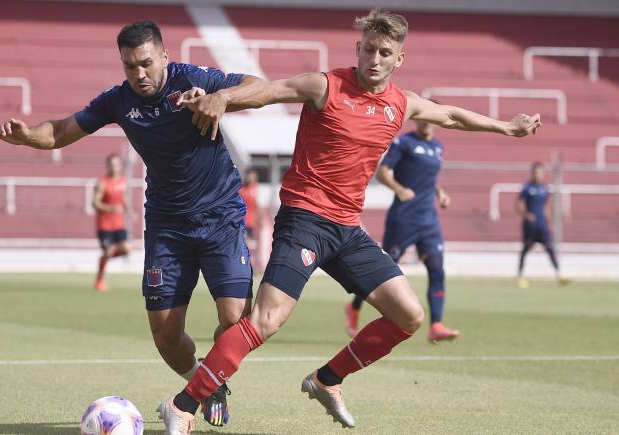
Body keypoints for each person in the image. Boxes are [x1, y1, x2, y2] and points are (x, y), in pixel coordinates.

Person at [157, 9, 541, 433]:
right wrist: (223, 98)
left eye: (385, 52)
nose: (375, 59)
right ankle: (182, 405)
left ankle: (327, 379)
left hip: (346, 229)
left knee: (409, 316)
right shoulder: (325, 86)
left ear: (399, 59)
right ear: (358, 49)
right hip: (304, 218)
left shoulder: (401, 103)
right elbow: (269, 92)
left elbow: (450, 115)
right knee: (266, 320)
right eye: (369, 49)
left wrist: (507, 127)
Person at [0, 21, 260, 427]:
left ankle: (202, 385)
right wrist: (29, 136)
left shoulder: (194, 78)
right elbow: (63, 130)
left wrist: (220, 98)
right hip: (168, 226)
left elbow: (259, 87)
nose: (139, 74)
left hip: (220, 216)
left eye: (146, 64)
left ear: (165, 56)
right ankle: (209, 383)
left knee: (236, 319)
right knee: (166, 337)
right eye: (129, 66)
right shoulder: (118, 100)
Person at [344, 119, 459, 342]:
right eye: (422, 117)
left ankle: (436, 324)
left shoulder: (438, 147)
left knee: (437, 269)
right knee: (381, 272)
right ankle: (354, 307)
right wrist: (399, 189)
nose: (426, 122)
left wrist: (440, 193)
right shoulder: (404, 143)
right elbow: (383, 172)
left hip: (429, 221)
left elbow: (428, 177)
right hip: (403, 218)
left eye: (431, 118)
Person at [516, 162, 569, 288]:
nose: (538, 174)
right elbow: (518, 205)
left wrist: (549, 222)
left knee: (550, 248)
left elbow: (545, 207)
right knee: (525, 249)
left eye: (540, 172)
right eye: (535, 172)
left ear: (543, 173)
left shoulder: (545, 188)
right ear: (532, 173)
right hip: (530, 226)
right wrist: (526, 215)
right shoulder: (527, 187)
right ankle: (520, 276)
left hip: (542, 225)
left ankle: (559, 274)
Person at [93, 153, 131, 292]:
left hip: (119, 225)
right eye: (112, 164)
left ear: (120, 166)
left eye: (117, 164)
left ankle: (105, 257)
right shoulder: (103, 183)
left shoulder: (123, 181)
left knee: (127, 249)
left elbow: (123, 197)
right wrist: (110, 208)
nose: (114, 167)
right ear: (108, 166)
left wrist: (129, 209)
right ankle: (100, 278)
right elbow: (95, 203)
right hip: (105, 225)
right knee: (108, 252)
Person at [237, 168, 263, 272]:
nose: (251, 178)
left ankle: (252, 266)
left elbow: (257, 203)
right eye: (250, 176)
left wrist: (261, 217)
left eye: (253, 176)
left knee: (252, 244)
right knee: (243, 244)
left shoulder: (255, 188)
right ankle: (243, 266)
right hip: (242, 221)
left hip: (252, 222)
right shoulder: (241, 189)